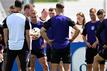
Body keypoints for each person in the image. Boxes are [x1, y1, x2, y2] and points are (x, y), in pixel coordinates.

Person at [40, 3, 80, 71]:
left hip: (55, 47)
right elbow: (78, 29)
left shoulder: (52, 19)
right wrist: (72, 39)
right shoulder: (67, 19)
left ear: (56, 9)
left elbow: (42, 31)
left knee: (54, 69)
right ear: (63, 9)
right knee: (67, 69)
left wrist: (48, 40)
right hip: (66, 46)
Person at [2, 1, 30, 71]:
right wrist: (29, 47)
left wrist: (6, 45)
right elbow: (27, 35)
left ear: (14, 7)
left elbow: (5, 34)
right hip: (22, 46)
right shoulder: (25, 18)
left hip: (11, 45)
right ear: (21, 8)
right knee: (24, 67)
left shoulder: (7, 19)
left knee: (8, 67)